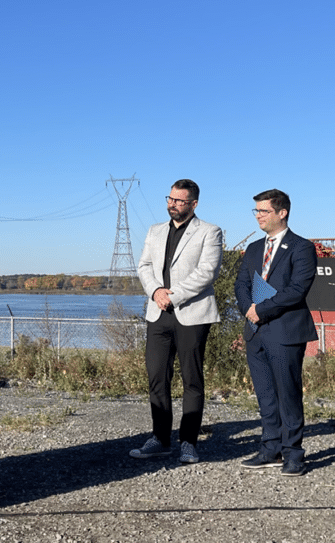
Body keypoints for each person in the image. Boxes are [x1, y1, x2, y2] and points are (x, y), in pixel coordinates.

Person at [130, 179, 223, 465]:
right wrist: (156, 292)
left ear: (193, 204)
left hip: (192, 314)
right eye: (170, 199)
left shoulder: (210, 231)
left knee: (192, 379)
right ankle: (160, 438)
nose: (172, 204)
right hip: (158, 313)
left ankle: (188, 443)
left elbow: (207, 272)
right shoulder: (155, 231)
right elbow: (144, 265)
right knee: (157, 376)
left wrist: (173, 295)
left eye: (179, 201)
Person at [234, 189, 317, 477]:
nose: (258, 216)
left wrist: (262, 309)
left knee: (288, 394)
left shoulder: (302, 248)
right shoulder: (254, 248)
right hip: (255, 330)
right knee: (266, 394)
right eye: (255, 211)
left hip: (285, 330)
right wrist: (249, 309)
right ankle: (270, 448)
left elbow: (296, 290)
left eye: (263, 211)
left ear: (282, 213)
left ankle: (294, 453)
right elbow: (241, 284)